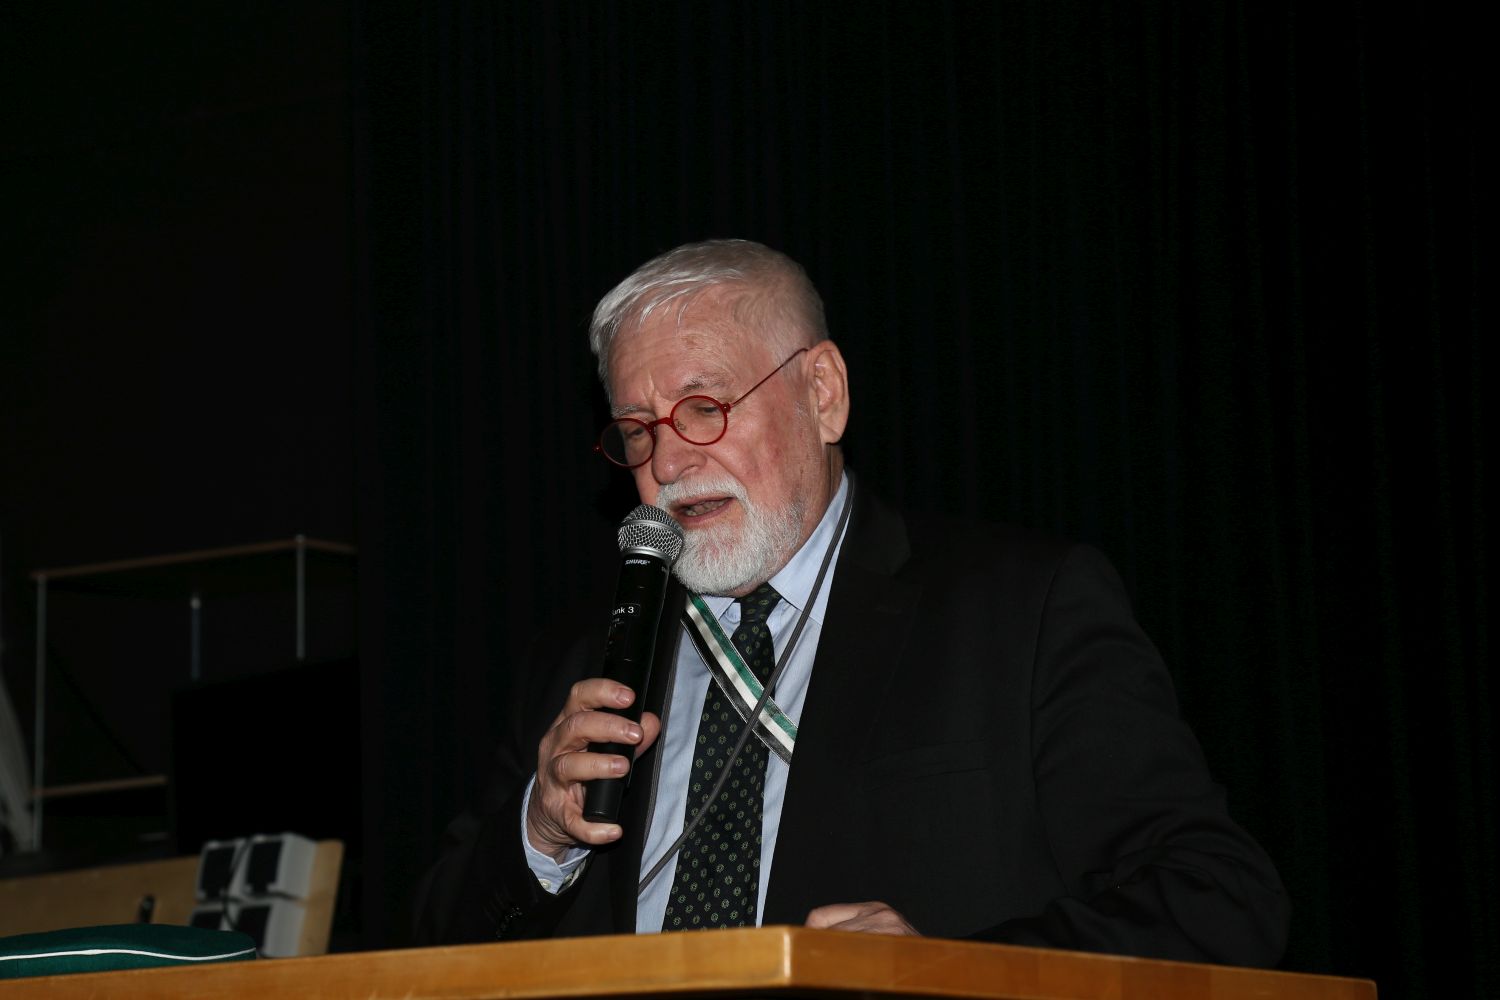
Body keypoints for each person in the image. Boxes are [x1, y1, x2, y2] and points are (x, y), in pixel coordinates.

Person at [414, 239, 1289, 965]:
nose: (670, 463)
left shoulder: (1020, 611)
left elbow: (1217, 899)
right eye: (638, 429)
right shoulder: (582, 657)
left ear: (822, 395)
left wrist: (946, 974)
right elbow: (431, 949)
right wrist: (539, 834)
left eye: (705, 407)